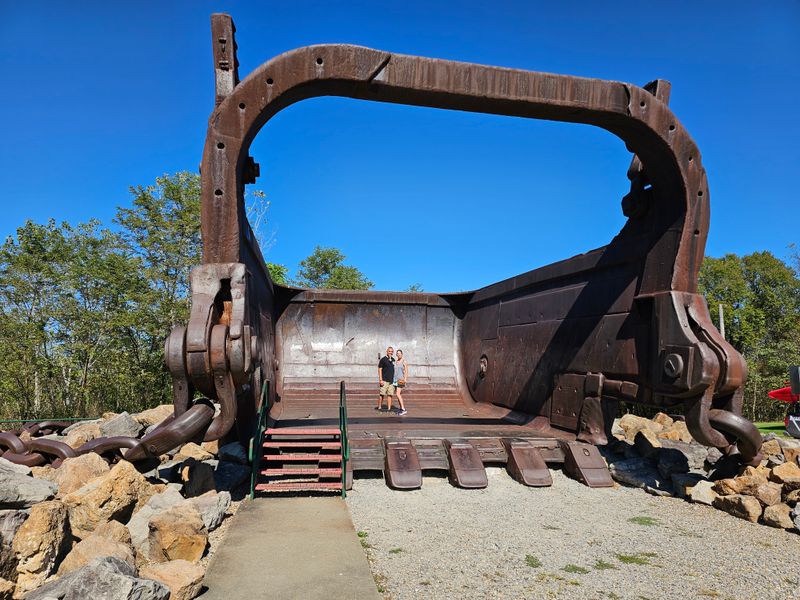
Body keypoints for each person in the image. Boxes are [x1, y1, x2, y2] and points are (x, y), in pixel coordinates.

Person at [376, 347, 395, 411]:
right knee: (382, 394)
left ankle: (389, 408)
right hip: (384, 380)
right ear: (387, 352)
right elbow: (380, 369)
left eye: (392, 351)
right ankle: (379, 407)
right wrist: (380, 379)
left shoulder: (393, 360)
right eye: (389, 351)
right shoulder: (383, 359)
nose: (390, 352)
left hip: (391, 381)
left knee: (390, 395)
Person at [393, 349, 408, 415]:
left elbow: (406, 371)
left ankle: (403, 409)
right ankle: (401, 408)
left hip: (401, 380)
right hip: (395, 380)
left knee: (397, 394)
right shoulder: (395, 361)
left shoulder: (404, 361)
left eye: (399, 353)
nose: (398, 354)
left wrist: (405, 379)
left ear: (402, 354)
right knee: (398, 394)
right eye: (397, 353)